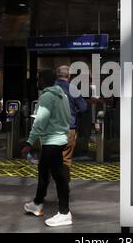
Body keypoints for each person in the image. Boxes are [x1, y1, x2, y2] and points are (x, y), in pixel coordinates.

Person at [22, 69, 72, 227]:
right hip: (59, 138)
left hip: (52, 141)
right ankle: (37, 203)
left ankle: (64, 213)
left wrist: (29, 143)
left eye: (39, 78)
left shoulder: (47, 96)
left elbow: (40, 121)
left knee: (59, 176)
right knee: (43, 171)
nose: (38, 81)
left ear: (43, 80)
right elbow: (67, 117)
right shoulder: (62, 95)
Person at [55, 65, 87, 182]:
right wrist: (73, 111)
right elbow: (83, 108)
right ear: (69, 76)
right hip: (68, 128)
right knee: (65, 159)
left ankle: (46, 187)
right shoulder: (72, 89)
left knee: (51, 158)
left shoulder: (49, 89)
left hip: (52, 130)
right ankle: (63, 188)